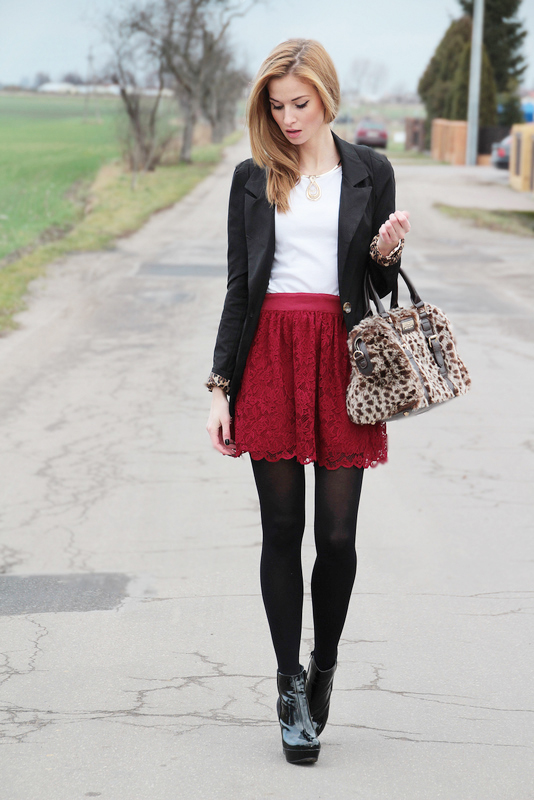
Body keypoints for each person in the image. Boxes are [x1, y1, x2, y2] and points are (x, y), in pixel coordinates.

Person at [206, 38, 411, 764]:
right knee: (281, 530)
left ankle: (324, 663)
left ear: (326, 96)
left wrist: (386, 252)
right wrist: (220, 387)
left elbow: (378, 286)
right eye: (276, 106)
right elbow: (240, 288)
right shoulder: (251, 178)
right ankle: (289, 684)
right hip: (269, 355)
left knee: (338, 538)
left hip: (342, 355)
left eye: (300, 103)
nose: (288, 118)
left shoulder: (371, 172)